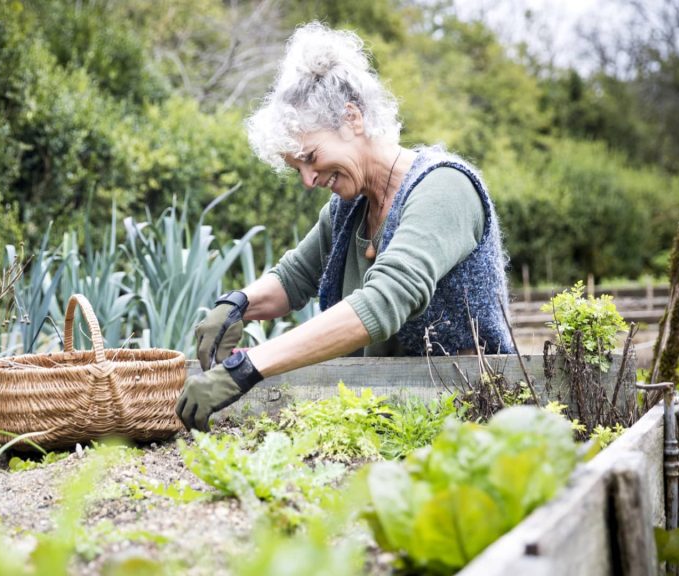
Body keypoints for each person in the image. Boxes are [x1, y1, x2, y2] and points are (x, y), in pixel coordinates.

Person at [176, 22, 515, 432]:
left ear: (352, 119)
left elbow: (384, 300)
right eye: (296, 167)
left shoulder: (444, 187)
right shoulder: (349, 207)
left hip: (471, 416)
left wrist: (247, 367)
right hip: (392, 412)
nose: (307, 179)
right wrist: (236, 306)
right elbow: (294, 278)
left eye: (310, 157)